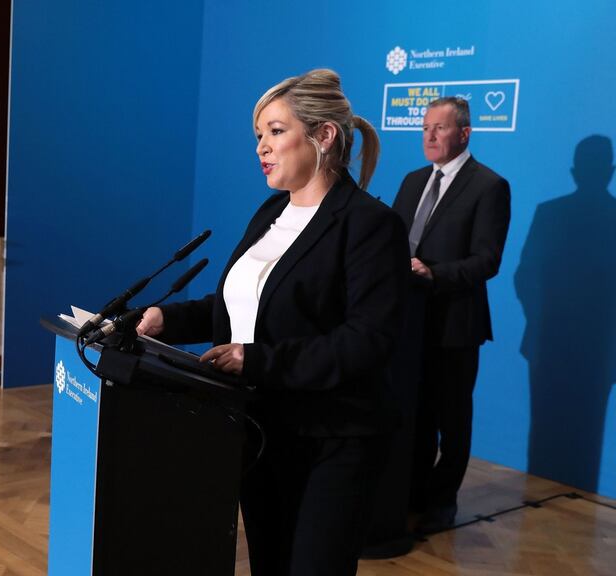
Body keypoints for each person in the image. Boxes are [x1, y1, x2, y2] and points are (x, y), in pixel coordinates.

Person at [137, 69, 409, 575]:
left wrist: (255, 359)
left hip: (332, 439)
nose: (261, 147)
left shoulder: (370, 224)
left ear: (324, 135)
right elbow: (242, 308)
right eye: (258, 136)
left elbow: (367, 340)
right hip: (258, 427)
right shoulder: (270, 212)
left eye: (276, 132)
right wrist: (163, 320)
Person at [392, 96, 510, 532]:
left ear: (464, 133)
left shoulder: (488, 185)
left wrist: (433, 273)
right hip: (408, 325)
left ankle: (442, 503)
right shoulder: (411, 181)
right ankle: (411, 493)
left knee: (452, 419)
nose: (429, 135)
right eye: (425, 127)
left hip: (454, 325)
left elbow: (487, 260)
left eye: (439, 128)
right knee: (415, 415)